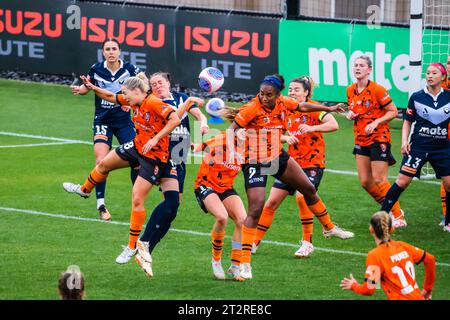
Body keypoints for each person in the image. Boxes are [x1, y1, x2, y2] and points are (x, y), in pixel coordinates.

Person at [62, 75, 195, 274]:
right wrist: (92, 87)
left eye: (126, 93)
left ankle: (132, 246)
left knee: (137, 198)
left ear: (137, 91)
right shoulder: (134, 100)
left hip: (154, 156)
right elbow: (110, 96)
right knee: (103, 164)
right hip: (138, 147)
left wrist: (156, 138)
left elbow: (175, 119)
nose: (124, 97)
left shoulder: (153, 102)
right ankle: (84, 190)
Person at [224, 74, 346, 279]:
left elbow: (303, 107)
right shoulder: (252, 108)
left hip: (276, 156)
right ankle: (245, 263)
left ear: (277, 94)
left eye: (268, 94)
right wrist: (233, 150)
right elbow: (231, 130)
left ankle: (329, 227)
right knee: (256, 207)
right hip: (254, 160)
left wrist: (329, 108)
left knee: (308, 189)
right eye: (261, 93)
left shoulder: (283, 101)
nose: (263, 97)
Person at [253, 76, 354, 258]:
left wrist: (311, 128)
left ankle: (307, 243)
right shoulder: (285, 109)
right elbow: (276, 132)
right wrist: (283, 138)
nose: (292, 92)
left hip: (312, 163)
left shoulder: (314, 108)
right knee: (271, 203)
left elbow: (334, 124)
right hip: (290, 164)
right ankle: (254, 242)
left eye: (296, 89)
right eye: (290, 89)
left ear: (306, 92)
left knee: (303, 197)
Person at [70, 38, 140, 221]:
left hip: (124, 121)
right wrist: (80, 89)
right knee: (102, 160)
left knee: (137, 158)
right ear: (103, 52)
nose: (111, 52)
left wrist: (130, 104)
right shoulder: (96, 69)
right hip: (102, 120)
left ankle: (136, 202)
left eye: (114, 49)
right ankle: (101, 205)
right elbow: (89, 87)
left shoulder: (130, 70)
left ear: (119, 51)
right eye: (107, 49)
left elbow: (141, 89)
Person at [380, 63, 450, 233]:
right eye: (427, 73)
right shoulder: (416, 97)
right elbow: (407, 121)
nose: (430, 76)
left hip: (442, 149)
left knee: (449, 184)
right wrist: (404, 141)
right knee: (402, 181)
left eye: (434, 73)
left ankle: (448, 222)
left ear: (443, 77)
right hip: (418, 146)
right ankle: (381, 217)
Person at [346, 55, 406, 228]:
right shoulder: (350, 90)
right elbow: (356, 110)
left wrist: (376, 122)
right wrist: (351, 115)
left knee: (380, 179)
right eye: (355, 65)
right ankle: (386, 208)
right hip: (360, 138)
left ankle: (397, 214)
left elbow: (393, 111)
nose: (357, 68)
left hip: (379, 138)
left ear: (369, 69)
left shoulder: (378, 89)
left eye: (361, 65)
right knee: (365, 181)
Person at [340, 211, 436, 300]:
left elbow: (369, 290)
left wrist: (353, 285)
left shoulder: (375, 255)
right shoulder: (403, 246)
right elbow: (430, 259)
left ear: (371, 229)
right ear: (392, 229)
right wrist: (428, 289)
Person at [192, 131, 246, 281]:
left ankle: (235, 266)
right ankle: (216, 261)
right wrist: (195, 146)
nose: (245, 132)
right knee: (222, 217)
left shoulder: (250, 147)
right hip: (205, 185)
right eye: (243, 129)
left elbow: (272, 139)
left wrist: (286, 137)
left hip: (226, 188)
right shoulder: (224, 138)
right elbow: (205, 145)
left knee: (242, 220)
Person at [149, 72, 209, 203]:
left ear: (168, 83)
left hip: (180, 156)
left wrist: (203, 123)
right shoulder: (153, 103)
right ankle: (157, 223)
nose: (157, 86)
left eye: (160, 82)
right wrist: (189, 101)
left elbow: (199, 115)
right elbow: (173, 120)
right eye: (154, 85)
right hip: (165, 155)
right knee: (171, 200)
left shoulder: (180, 97)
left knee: (176, 202)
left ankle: (162, 223)